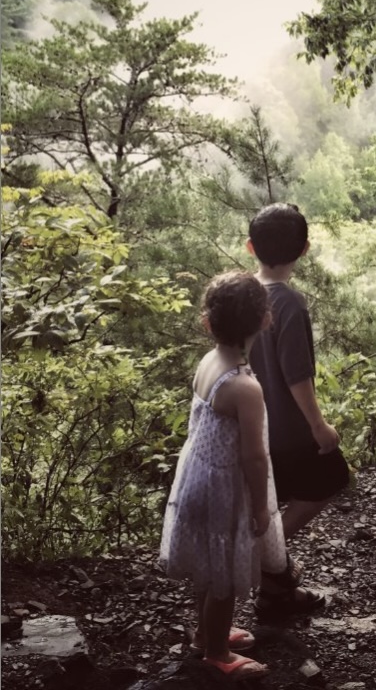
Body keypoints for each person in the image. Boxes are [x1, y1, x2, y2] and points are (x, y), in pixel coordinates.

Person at [159, 271, 288, 681]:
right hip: (224, 489)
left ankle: (203, 633)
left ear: (208, 321)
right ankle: (217, 652)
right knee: (225, 578)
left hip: (196, 477)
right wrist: (261, 509)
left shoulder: (208, 362)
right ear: (265, 319)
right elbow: (253, 456)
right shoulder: (245, 387)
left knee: (207, 566)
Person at [247, 203, 350, 619]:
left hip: (254, 428)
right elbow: (297, 375)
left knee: (274, 500)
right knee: (329, 480)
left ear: (250, 247)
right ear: (305, 249)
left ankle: (274, 589)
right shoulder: (288, 302)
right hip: (288, 430)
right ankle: (269, 555)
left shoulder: (245, 294)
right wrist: (319, 425)